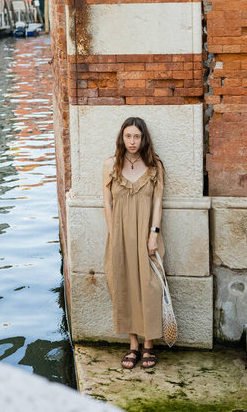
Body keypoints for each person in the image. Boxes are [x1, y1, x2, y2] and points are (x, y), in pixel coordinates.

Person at [103, 117, 165, 370]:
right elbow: (107, 202)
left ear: (143, 139)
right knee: (123, 285)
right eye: (128, 136)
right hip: (119, 236)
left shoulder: (154, 165)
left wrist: (154, 234)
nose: (132, 141)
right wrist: (113, 233)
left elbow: (158, 202)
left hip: (147, 235)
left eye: (136, 137)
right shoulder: (110, 165)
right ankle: (133, 345)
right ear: (122, 137)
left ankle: (149, 344)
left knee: (149, 288)